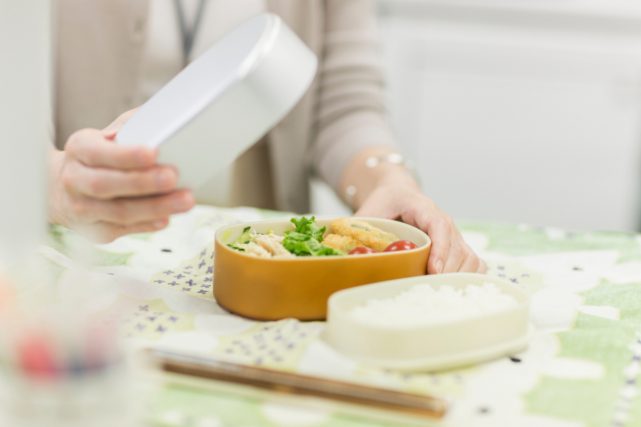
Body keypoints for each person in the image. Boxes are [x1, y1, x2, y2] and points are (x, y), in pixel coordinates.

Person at [49, 0, 485, 274]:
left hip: (269, 265)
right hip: (87, 265)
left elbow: (343, 103)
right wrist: (54, 183)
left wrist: (389, 181)